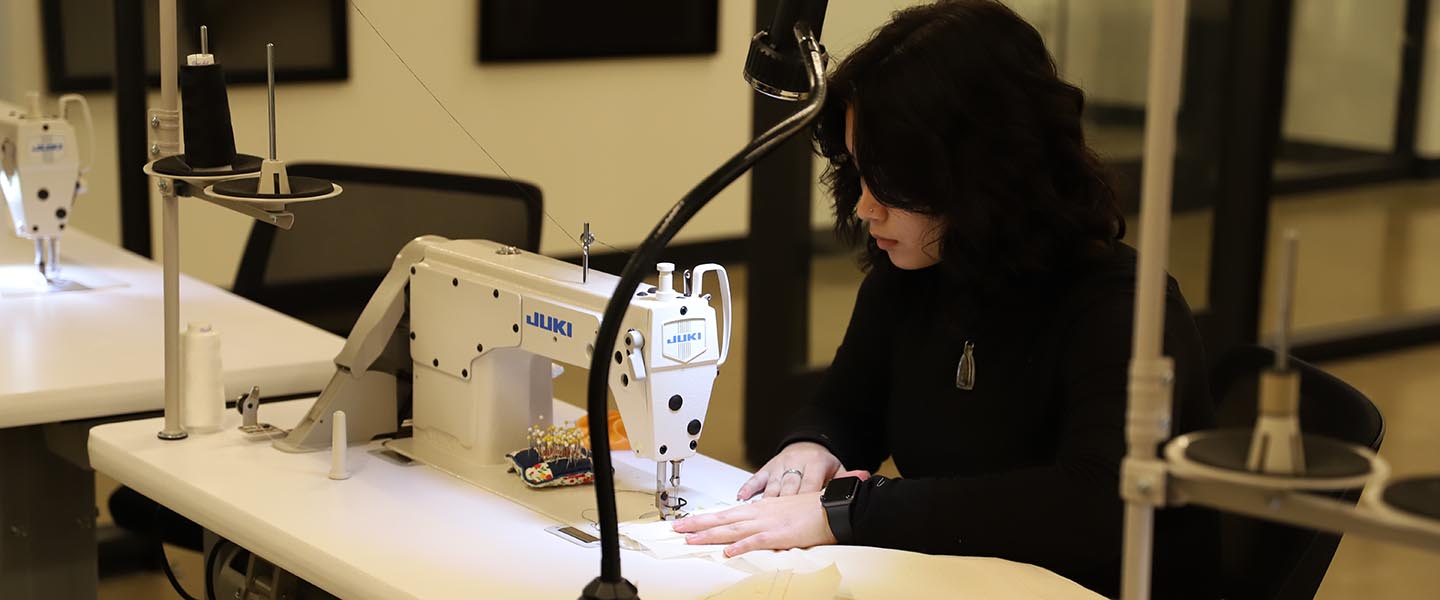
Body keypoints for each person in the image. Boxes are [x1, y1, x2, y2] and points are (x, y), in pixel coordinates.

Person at [672, 1, 1220, 597]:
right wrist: (813, 446)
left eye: (891, 182)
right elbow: (845, 406)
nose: (864, 207)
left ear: (981, 174)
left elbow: (1088, 507)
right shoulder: (915, 270)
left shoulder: (1124, 310)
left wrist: (855, 509)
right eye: (859, 173)